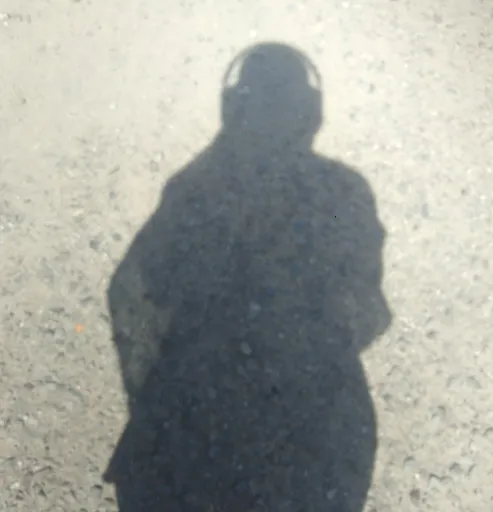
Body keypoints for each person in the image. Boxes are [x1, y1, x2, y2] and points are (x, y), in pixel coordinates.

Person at [104, 42, 391, 512]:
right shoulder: (342, 192)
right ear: (311, 111)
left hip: (193, 424)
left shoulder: (196, 189)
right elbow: (363, 304)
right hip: (313, 428)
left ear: (233, 106)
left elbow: (138, 293)